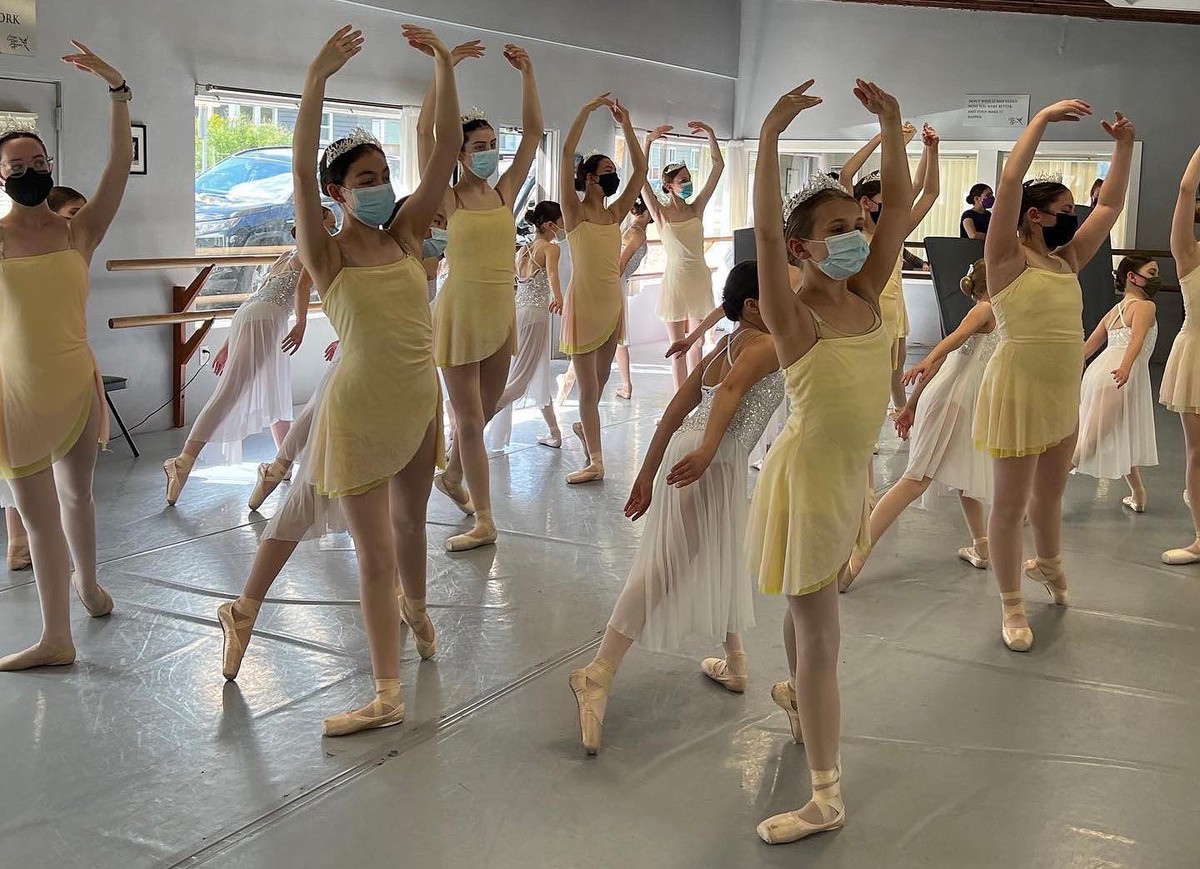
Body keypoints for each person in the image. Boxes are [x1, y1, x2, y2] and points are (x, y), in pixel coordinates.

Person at [215, 24, 461, 737]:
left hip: (419, 399)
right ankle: (386, 691)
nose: (381, 186)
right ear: (337, 192)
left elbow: (444, 152)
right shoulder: (325, 254)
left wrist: (444, 66)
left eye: (384, 175)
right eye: (365, 179)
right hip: (357, 408)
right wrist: (316, 80)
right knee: (372, 551)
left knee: (410, 523)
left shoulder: (408, 236)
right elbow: (297, 174)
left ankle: (411, 609)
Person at [747, 78, 910, 845]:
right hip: (807, 482)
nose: (856, 234)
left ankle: (792, 697)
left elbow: (901, 210)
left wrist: (894, 124)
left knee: (802, 615)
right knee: (821, 637)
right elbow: (760, 230)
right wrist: (772, 136)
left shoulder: (868, 292)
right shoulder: (797, 311)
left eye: (858, 223)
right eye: (837, 228)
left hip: (841, 476)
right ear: (800, 248)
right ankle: (826, 795)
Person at [568, 262, 783, 755]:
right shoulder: (765, 346)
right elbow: (728, 394)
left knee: (719, 550)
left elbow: (674, 408)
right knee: (666, 566)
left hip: (703, 455)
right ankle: (596, 673)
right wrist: (708, 449)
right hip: (710, 459)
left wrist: (646, 472)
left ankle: (735, 660)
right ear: (753, 305)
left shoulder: (721, 346)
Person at [975, 99, 1134, 651]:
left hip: (1061, 386)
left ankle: (1047, 561)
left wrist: (1124, 146)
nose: (1073, 213)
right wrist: (1039, 120)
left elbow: (1109, 206)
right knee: (1010, 504)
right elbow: (1012, 178)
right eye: (1063, 206)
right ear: (1034, 215)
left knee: (1050, 495)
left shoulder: (1065, 259)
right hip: (1017, 386)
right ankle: (1011, 604)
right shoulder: (1005, 258)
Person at [0, 41, 132, 670]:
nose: (30, 167)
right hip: (17, 391)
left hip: (76, 382)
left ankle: (88, 584)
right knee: (38, 514)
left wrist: (116, 89)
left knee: (78, 496)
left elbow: (115, 164)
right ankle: (57, 636)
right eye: (18, 162)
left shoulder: (79, 230)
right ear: (2, 176)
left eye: (38, 158)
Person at [420, 40, 543, 552]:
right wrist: (444, 68)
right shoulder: (446, 195)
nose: (489, 151)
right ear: (460, 153)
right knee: (469, 419)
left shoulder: (504, 191)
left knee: (485, 411)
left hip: (499, 309)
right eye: (479, 145)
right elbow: (432, 132)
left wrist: (528, 74)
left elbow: (534, 133)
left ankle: (449, 474)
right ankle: (485, 517)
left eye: (494, 142)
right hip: (459, 312)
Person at [844, 259, 998, 588]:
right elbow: (951, 343)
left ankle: (982, 547)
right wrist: (925, 364)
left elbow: (947, 357)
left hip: (960, 399)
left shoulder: (997, 310)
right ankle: (855, 560)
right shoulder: (986, 309)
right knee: (915, 480)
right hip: (954, 399)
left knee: (966, 473)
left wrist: (911, 405)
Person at [161, 210, 330, 504]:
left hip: (255, 318)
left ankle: (282, 463)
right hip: (265, 320)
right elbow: (302, 287)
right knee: (230, 393)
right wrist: (301, 323)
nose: (333, 229)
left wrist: (229, 343)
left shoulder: (285, 255)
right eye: (330, 224)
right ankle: (183, 461)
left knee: (276, 389)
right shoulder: (308, 251)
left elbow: (257, 297)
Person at [558, 94, 647, 484]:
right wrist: (585, 109)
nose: (614, 175)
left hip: (611, 302)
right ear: (591, 178)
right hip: (585, 302)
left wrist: (626, 125)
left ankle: (585, 425)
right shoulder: (574, 212)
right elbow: (564, 155)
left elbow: (641, 173)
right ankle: (595, 459)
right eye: (607, 169)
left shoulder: (614, 214)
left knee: (602, 381)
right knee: (588, 387)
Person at [3, 186, 92, 569]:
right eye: (72, 212)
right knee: (22, 472)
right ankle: (18, 537)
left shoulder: (71, 248)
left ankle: (81, 578)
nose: (77, 220)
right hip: (17, 377)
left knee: (69, 489)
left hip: (63, 367)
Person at [840, 122, 941, 413]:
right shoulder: (852, 232)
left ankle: (901, 414)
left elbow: (928, 191)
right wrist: (883, 138)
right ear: (865, 203)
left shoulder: (894, 231)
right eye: (885, 201)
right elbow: (847, 173)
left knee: (896, 372)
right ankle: (863, 423)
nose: (894, 205)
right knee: (866, 375)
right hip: (866, 311)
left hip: (895, 309)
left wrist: (930, 150)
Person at [641, 121, 725, 391]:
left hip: (699, 278)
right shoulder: (662, 214)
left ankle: (695, 395)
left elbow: (718, 168)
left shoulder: (696, 207)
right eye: (683, 180)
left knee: (698, 343)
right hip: (676, 281)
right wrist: (648, 141)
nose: (688, 184)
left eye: (689, 179)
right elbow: (640, 178)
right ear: (668, 185)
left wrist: (711, 134)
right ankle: (679, 400)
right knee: (677, 347)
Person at [1073, 256, 1159, 511]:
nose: (1156, 277)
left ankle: (1138, 494)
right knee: (1089, 443)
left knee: (1120, 431)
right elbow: (1137, 339)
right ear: (1132, 277)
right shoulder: (1145, 307)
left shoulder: (1114, 311)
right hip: (1117, 376)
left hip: (1105, 375)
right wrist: (1126, 367)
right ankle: (1033, 494)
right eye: (1151, 272)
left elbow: (1089, 348)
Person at [484, 200, 563, 453]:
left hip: (518, 314)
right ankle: (469, 429)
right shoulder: (551, 248)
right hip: (536, 317)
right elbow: (552, 275)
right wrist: (558, 297)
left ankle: (554, 432)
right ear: (551, 224)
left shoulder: (524, 250)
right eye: (561, 221)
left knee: (535, 372)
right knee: (518, 380)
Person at [1160, 144, 1200, 564]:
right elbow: (1186, 188)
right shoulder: (1189, 255)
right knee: (1198, 452)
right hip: (1197, 358)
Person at [614, 196, 651, 401]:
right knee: (619, 336)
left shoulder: (635, 231)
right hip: (616, 282)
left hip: (618, 282)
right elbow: (620, 264)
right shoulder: (636, 233)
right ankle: (626, 385)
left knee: (619, 337)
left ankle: (626, 385)